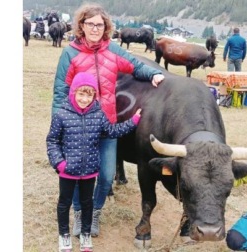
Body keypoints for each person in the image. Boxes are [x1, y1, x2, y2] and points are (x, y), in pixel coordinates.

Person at [50, 2, 165, 238]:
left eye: (99, 25)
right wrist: (59, 126)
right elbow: (61, 90)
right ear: (81, 25)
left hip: (105, 126)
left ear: (106, 27)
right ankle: (80, 214)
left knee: (105, 176)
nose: (95, 28)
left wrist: (153, 73)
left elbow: (135, 66)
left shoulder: (112, 50)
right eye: (90, 24)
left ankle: (95, 212)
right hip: (76, 127)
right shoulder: (70, 52)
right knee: (75, 174)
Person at [47, 72, 142, 252]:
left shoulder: (98, 114)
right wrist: (59, 163)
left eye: (89, 94)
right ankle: (64, 235)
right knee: (64, 203)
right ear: (73, 92)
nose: (84, 98)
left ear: (94, 96)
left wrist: (134, 121)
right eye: (81, 93)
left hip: (90, 170)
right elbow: (52, 141)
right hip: (68, 170)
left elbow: (112, 131)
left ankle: (85, 233)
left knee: (87, 203)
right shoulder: (61, 115)